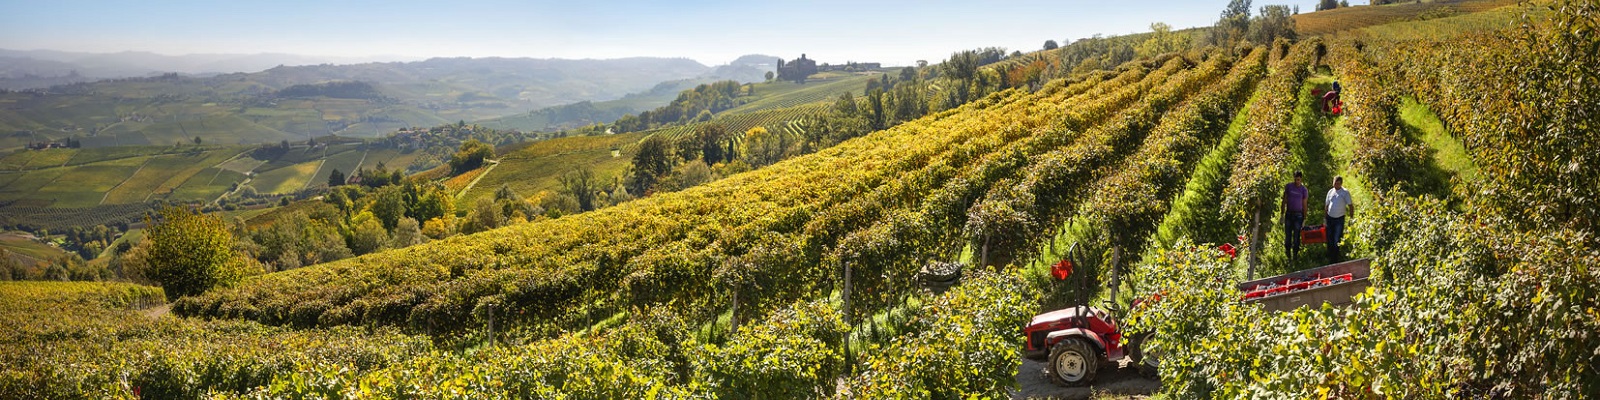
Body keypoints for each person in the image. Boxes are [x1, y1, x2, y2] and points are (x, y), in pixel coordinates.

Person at [1325, 176, 1355, 262]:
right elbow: (1326, 205)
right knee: (1329, 238)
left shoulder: (1345, 193)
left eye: (1338, 183)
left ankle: (1336, 258)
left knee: (1336, 239)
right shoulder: (1330, 192)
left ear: (1341, 184)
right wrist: (1325, 218)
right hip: (1330, 218)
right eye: (1335, 183)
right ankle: (1330, 256)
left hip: (1339, 219)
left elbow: (1350, 206)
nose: (1336, 185)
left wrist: (1351, 218)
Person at [1282, 171, 1309, 260]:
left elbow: (1304, 204)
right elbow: (1284, 200)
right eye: (1295, 179)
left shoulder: (1303, 190)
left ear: (1301, 179)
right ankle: (1288, 254)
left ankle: (1295, 255)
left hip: (1298, 215)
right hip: (1289, 214)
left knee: (1296, 236)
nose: (1297, 181)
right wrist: (1282, 214)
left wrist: (1304, 218)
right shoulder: (1289, 187)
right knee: (1288, 236)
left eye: (1298, 180)